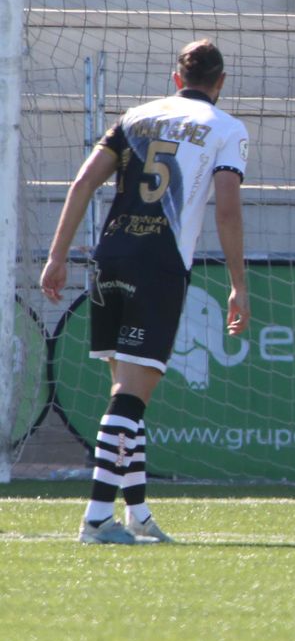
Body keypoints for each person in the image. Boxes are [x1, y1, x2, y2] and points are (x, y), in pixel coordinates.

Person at [40, 39, 250, 545]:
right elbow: (226, 208)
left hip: (109, 257)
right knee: (131, 396)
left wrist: (56, 255)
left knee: (126, 391)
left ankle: (138, 513)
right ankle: (95, 519)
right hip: (158, 264)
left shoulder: (135, 117)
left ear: (174, 78)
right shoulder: (227, 129)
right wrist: (238, 285)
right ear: (220, 83)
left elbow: (83, 183)